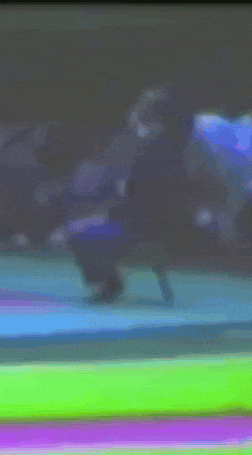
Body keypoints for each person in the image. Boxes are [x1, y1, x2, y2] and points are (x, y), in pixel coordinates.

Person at [63, 85, 196, 305]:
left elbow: (141, 200)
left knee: (77, 233)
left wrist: (107, 214)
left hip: (144, 228)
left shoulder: (152, 152)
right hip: (154, 225)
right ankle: (110, 281)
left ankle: (110, 284)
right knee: (84, 226)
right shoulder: (170, 149)